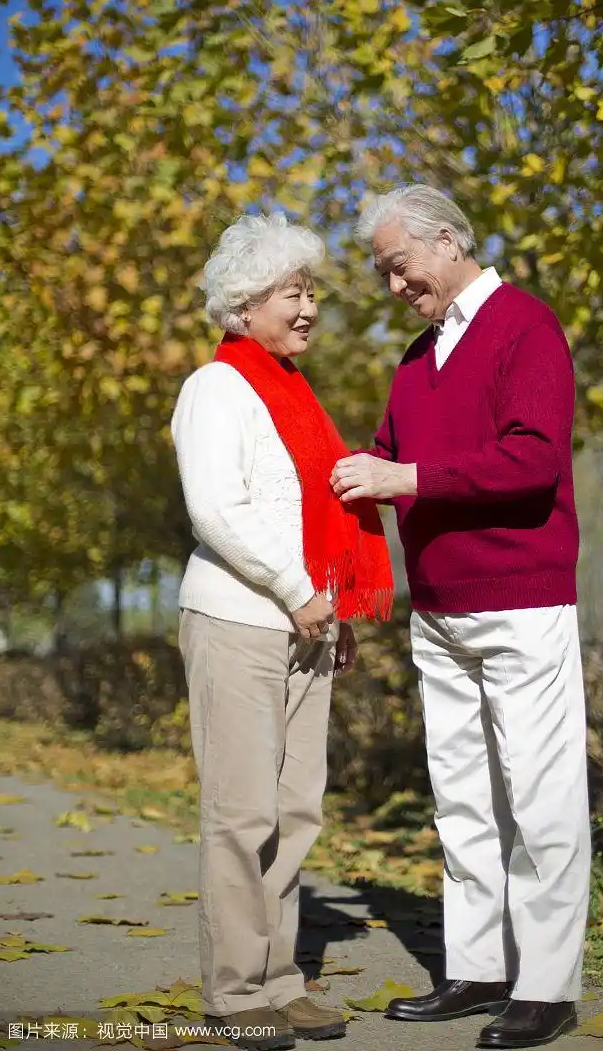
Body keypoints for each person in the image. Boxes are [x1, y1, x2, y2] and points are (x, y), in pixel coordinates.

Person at [330, 185, 590, 1051]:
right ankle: (478, 970)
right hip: (438, 610)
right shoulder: (415, 358)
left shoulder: (526, 325)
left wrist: (404, 480)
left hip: (522, 602)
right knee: (463, 803)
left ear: (446, 243)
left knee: (542, 801)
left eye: (398, 266)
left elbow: (532, 457)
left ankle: (547, 986)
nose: (395, 285)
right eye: (384, 273)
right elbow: (389, 454)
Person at [171, 211, 394, 1051]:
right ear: (244, 301)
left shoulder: (296, 395)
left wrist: (329, 608)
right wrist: (302, 590)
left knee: (296, 809)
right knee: (241, 814)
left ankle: (281, 979)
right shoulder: (217, 388)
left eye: (311, 292)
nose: (307, 308)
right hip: (238, 619)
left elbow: (312, 515)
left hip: (304, 625)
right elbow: (216, 510)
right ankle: (233, 991)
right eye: (291, 293)